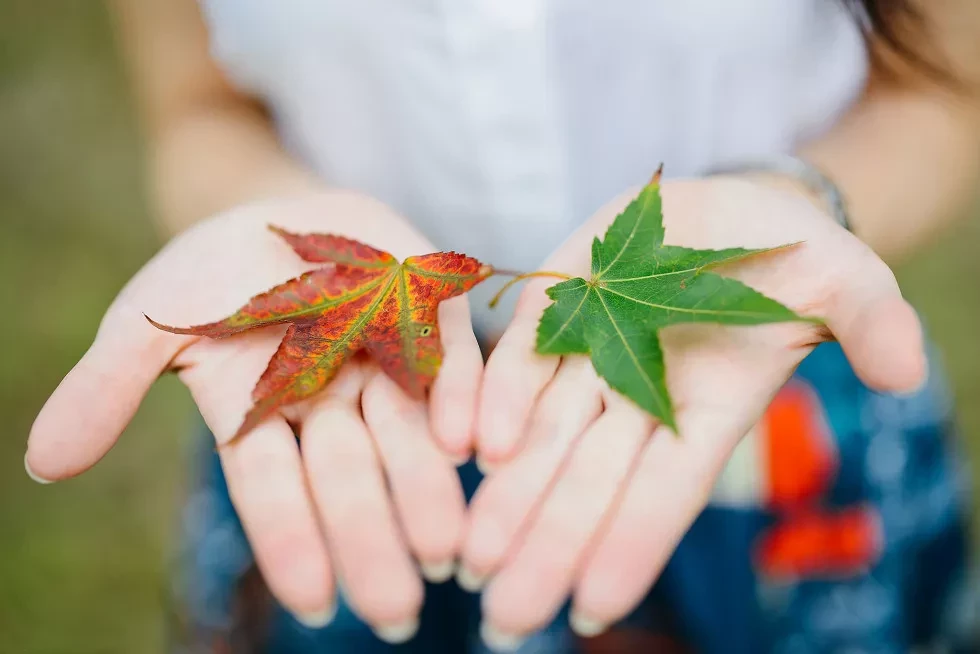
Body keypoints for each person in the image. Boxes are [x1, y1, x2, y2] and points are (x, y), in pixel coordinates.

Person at [25, 0, 980, 652]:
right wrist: (272, 210)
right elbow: (198, 111)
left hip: (751, 385)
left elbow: (946, 92)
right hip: (346, 428)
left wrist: (791, 200)